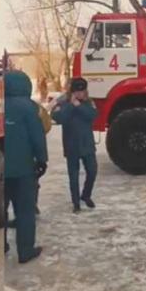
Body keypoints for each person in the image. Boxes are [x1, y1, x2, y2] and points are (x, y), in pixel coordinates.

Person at [3, 70, 47, 264]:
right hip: (23, 170)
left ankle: (2, 245)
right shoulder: (30, 108)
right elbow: (37, 137)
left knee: (1, 210)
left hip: (0, 170)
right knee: (25, 211)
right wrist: (42, 160)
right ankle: (25, 250)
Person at [51, 77, 98, 213]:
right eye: (77, 91)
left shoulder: (89, 102)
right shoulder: (63, 102)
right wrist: (71, 105)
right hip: (71, 145)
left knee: (92, 171)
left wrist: (79, 106)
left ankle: (86, 195)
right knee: (73, 176)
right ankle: (76, 202)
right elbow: (58, 117)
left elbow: (93, 115)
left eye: (82, 91)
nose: (79, 94)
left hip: (87, 144)